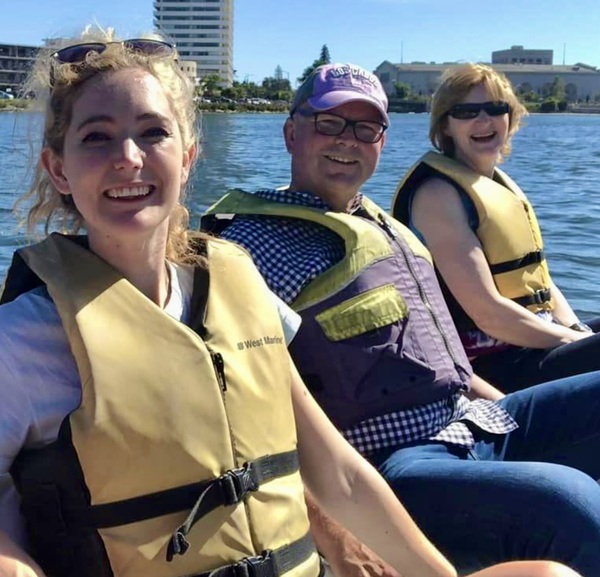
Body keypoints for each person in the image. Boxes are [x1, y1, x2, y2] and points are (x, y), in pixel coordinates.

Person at [0, 30, 568, 577]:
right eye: (96, 137)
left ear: (189, 157)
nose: (128, 157)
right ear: (58, 169)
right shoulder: (27, 337)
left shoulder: (239, 285)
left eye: (153, 133)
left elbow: (338, 476)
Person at [202, 62, 600, 576]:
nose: (347, 140)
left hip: (471, 424)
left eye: (364, 128)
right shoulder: (252, 247)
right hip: (398, 463)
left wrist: (522, 414)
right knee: (566, 505)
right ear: (291, 132)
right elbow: (241, 411)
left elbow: (439, 360)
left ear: (382, 143)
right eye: (329, 123)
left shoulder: (389, 230)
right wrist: (338, 537)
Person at [391, 63, 600, 392]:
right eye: (466, 111)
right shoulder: (438, 195)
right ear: (445, 125)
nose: (484, 120)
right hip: (488, 367)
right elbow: (488, 314)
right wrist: (575, 341)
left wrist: (576, 329)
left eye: (495, 108)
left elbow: (537, 282)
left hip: (531, 342)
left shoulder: (497, 183)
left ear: (511, 117)